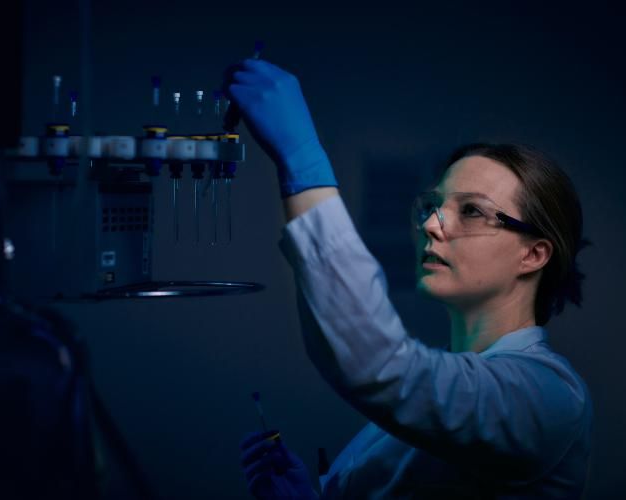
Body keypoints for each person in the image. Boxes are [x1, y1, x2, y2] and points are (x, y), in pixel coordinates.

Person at [228, 59, 593, 499]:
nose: (433, 225)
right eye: (434, 205)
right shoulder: (454, 377)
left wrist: (302, 159)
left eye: (472, 210)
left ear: (533, 254)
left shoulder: (549, 396)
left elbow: (383, 367)